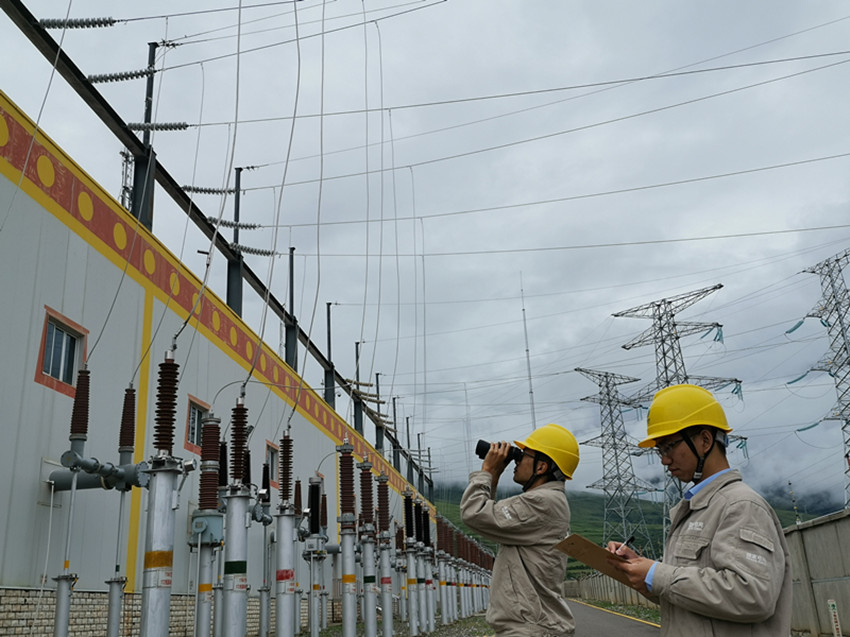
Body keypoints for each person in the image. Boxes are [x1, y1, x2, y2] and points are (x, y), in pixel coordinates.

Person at [607, 384, 792, 636]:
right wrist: (643, 571)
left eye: (670, 446)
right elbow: (693, 601)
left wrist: (657, 575)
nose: (664, 460)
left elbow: (753, 596)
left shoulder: (740, 505)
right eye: (660, 450)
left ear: (705, 440)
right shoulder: (696, 509)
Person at [460, 423, 580, 636]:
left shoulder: (541, 502)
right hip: (532, 626)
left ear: (541, 467)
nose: (517, 460)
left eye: (524, 455)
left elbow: (473, 512)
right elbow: (489, 520)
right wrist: (493, 477)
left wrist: (487, 472)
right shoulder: (547, 501)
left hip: (531, 628)